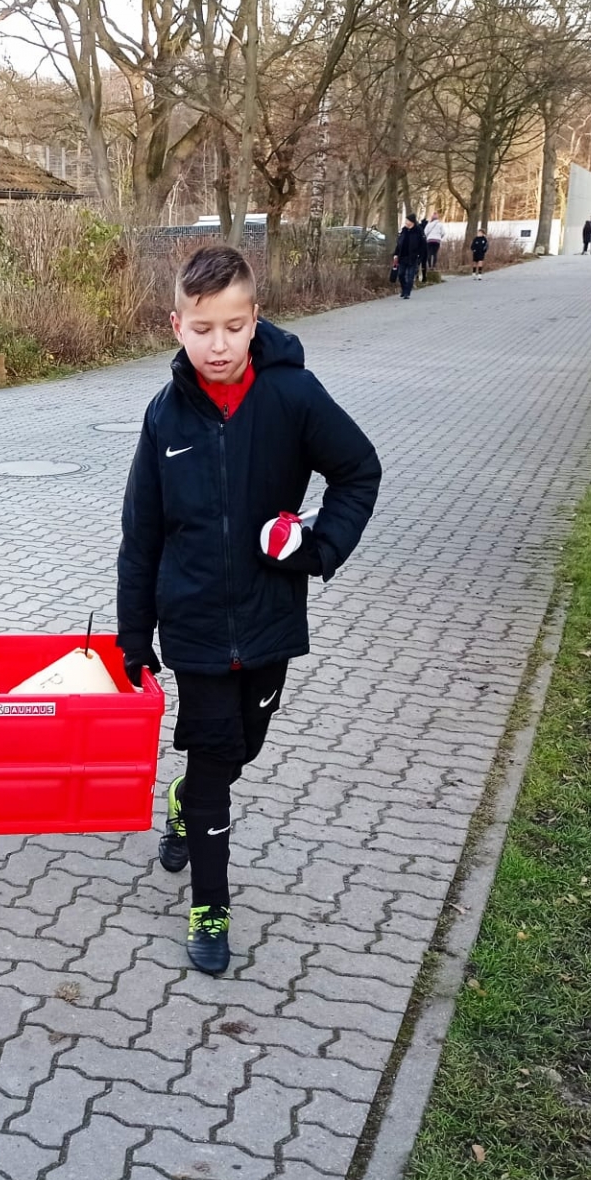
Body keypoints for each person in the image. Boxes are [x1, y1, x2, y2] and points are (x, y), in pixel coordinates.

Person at [116, 245, 382, 975]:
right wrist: (133, 635)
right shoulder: (164, 416)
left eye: (234, 327)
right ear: (177, 325)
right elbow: (141, 534)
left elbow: (359, 471)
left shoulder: (293, 395)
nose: (219, 345)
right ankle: (210, 905)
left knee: (243, 749)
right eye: (203, 328)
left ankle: (184, 800)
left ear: (255, 319)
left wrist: (319, 548)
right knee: (213, 759)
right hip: (194, 624)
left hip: (269, 618)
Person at [392, 216, 422, 299]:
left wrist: (419, 255)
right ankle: (404, 288)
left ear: (412, 222)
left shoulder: (418, 231)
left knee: (410, 276)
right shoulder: (404, 231)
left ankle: (407, 293)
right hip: (402, 256)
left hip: (413, 257)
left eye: (407, 220)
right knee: (401, 274)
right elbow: (399, 243)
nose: (405, 222)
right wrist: (396, 254)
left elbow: (422, 244)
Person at [423, 215, 445, 282]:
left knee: (429, 253)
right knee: (435, 253)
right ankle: (434, 266)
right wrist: (439, 237)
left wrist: (428, 237)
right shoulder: (440, 225)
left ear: (432, 219)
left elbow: (425, 232)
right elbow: (443, 233)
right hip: (437, 240)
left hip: (429, 240)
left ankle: (430, 266)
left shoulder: (429, 225)